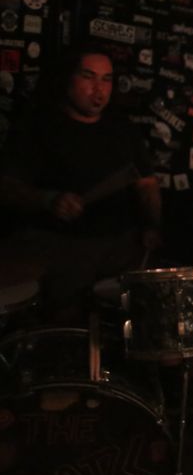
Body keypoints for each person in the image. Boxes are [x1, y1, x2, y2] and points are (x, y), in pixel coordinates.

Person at [0, 44, 161, 323]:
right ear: (68, 79)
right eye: (89, 77)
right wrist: (48, 200)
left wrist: (153, 225)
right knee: (67, 318)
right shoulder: (38, 127)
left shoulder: (122, 129)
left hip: (120, 247)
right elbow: (6, 186)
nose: (99, 89)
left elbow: (146, 184)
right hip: (60, 247)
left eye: (106, 79)